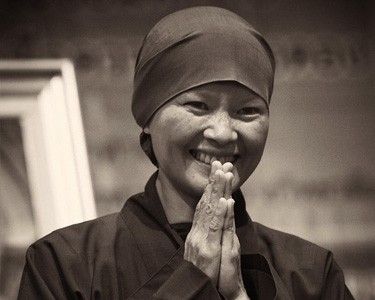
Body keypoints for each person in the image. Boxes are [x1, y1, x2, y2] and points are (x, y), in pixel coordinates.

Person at [18, 6, 354, 300]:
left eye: (248, 111)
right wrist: (190, 282)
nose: (223, 132)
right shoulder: (66, 265)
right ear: (148, 117)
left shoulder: (311, 273)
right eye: (198, 105)